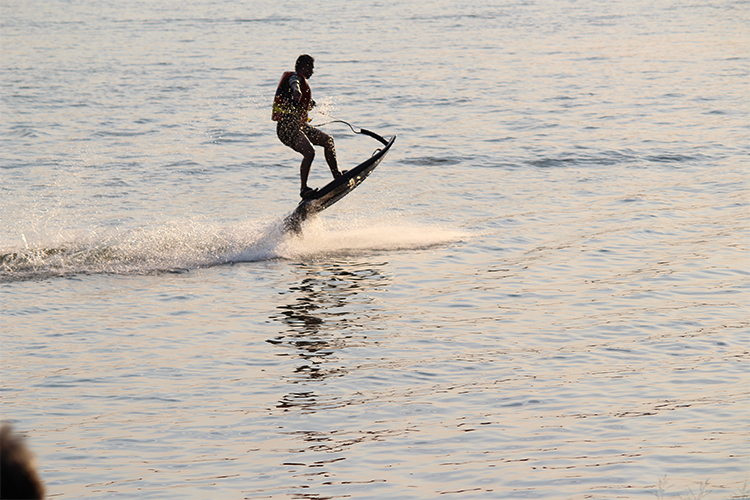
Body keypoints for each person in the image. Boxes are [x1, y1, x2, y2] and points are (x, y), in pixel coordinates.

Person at [272, 55, 342, 199]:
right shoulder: (295, 78)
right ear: (305, 67)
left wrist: (309, 104)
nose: (313, 72)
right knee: (309, 152)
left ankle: (337, 175)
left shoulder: (300, 82)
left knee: (328, 140)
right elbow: (294, 83)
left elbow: (298, 99)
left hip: (298, 126)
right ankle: (304, 189)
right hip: (287, 128)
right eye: (312, 68)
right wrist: (297, 91)